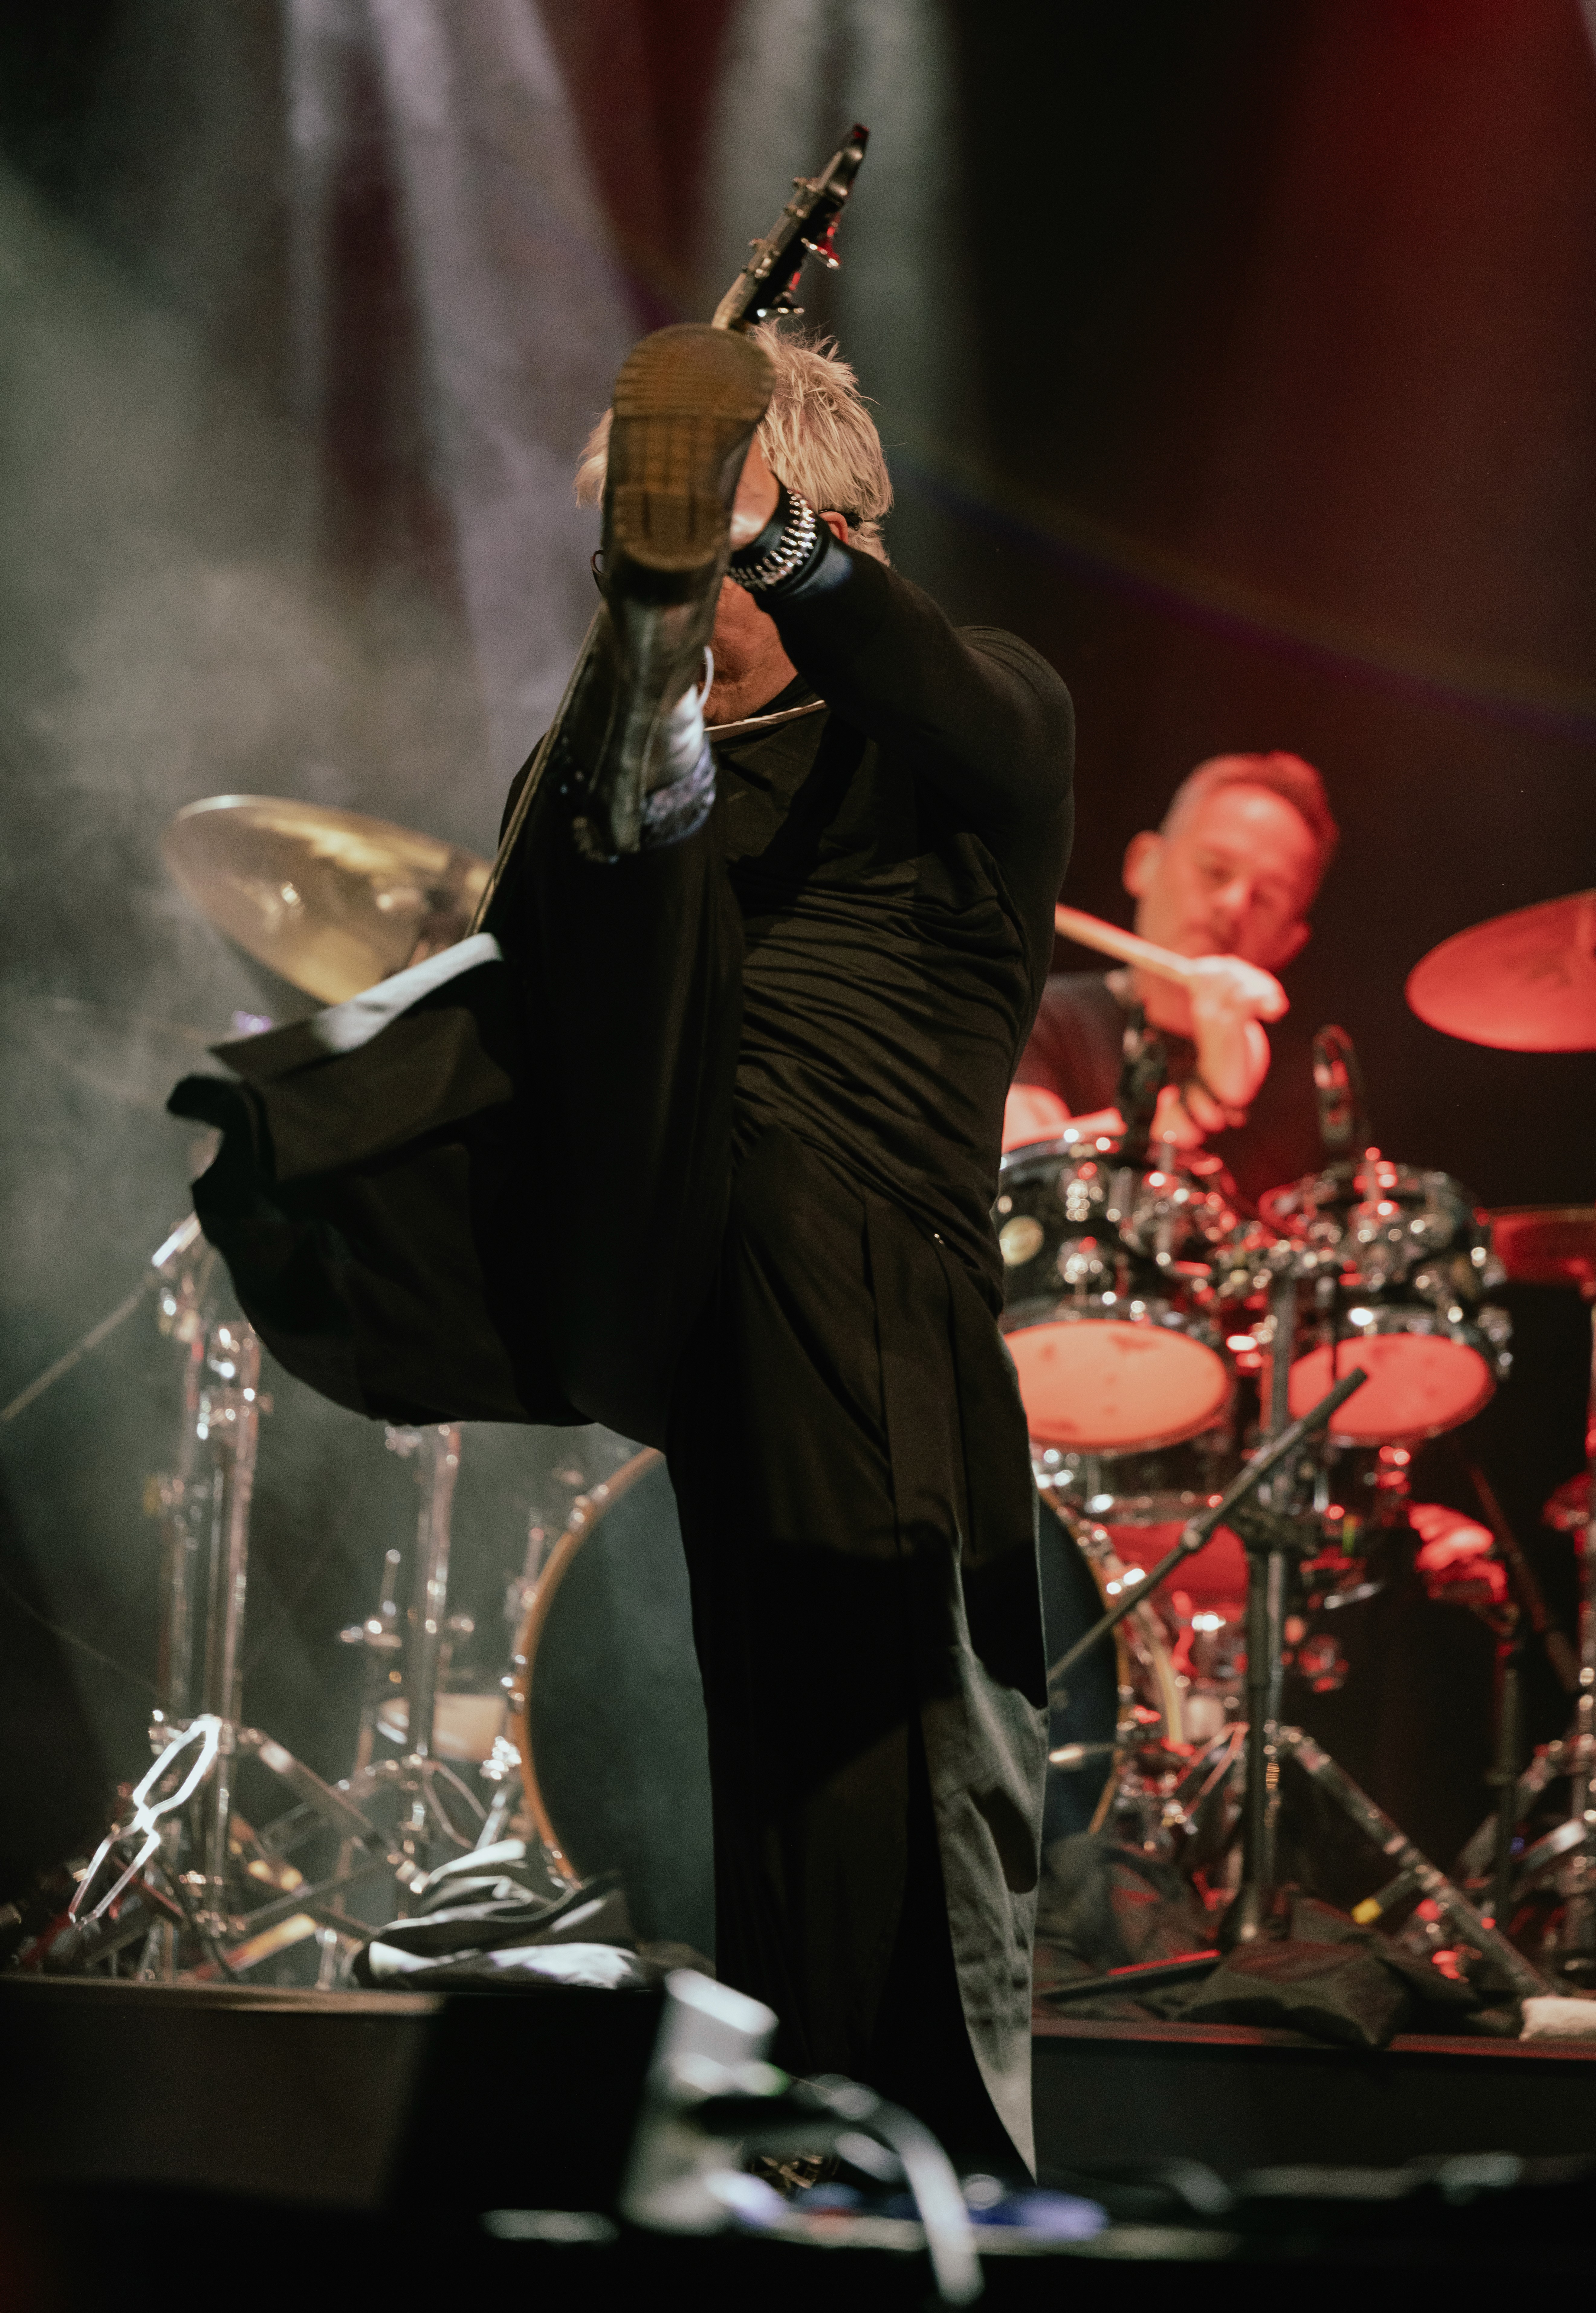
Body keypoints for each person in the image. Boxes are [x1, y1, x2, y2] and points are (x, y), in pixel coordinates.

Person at [498, 318, 1074, 2172]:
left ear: (814, 522)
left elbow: (936, 685)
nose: (670, 589)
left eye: (695, 544)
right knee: (778, 1867)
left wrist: (763, 538)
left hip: (886, 1340)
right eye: (640, 554)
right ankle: (809, 2208)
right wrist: (654, 617)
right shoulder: (671, 758)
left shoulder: (973, 721)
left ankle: (937, 2221)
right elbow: (555, 881)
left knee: (909, 1861)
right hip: (729, 1363)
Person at [1004, 753, 1337, 1205]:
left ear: (1289, 943)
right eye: (1215, 871)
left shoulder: (1306, 1095)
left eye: (1267, 898)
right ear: (1143, 863)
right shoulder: (1040, 1015)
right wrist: (1199, 1104)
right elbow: (1022, 1185)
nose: (1233, 905)